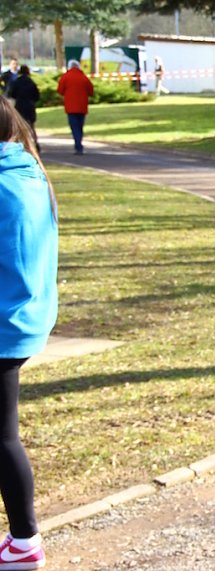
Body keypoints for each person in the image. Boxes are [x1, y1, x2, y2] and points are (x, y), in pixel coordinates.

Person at [0, 97, 57, 570]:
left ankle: (24, 540)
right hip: (22, 318)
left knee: (3, 437)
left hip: (6, 324)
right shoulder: (28, 171)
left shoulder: (6, 182)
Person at [56, 60, 94, 155]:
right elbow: (91, 91)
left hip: (70, 107)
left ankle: (78, 145)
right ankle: (79, 143)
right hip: (82, 106)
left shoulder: (65, 77)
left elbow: (60, 90)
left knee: (74, 126)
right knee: (80, 126)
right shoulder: (84, 77)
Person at [8, 66, 40, 153]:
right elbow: (37, 96)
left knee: (19, 125)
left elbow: (12, 94)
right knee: (31, 125)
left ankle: (22, 142)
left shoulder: (17, 82)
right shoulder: (31, 82)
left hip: (20, 105)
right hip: (30, 105)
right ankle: (34, 142)